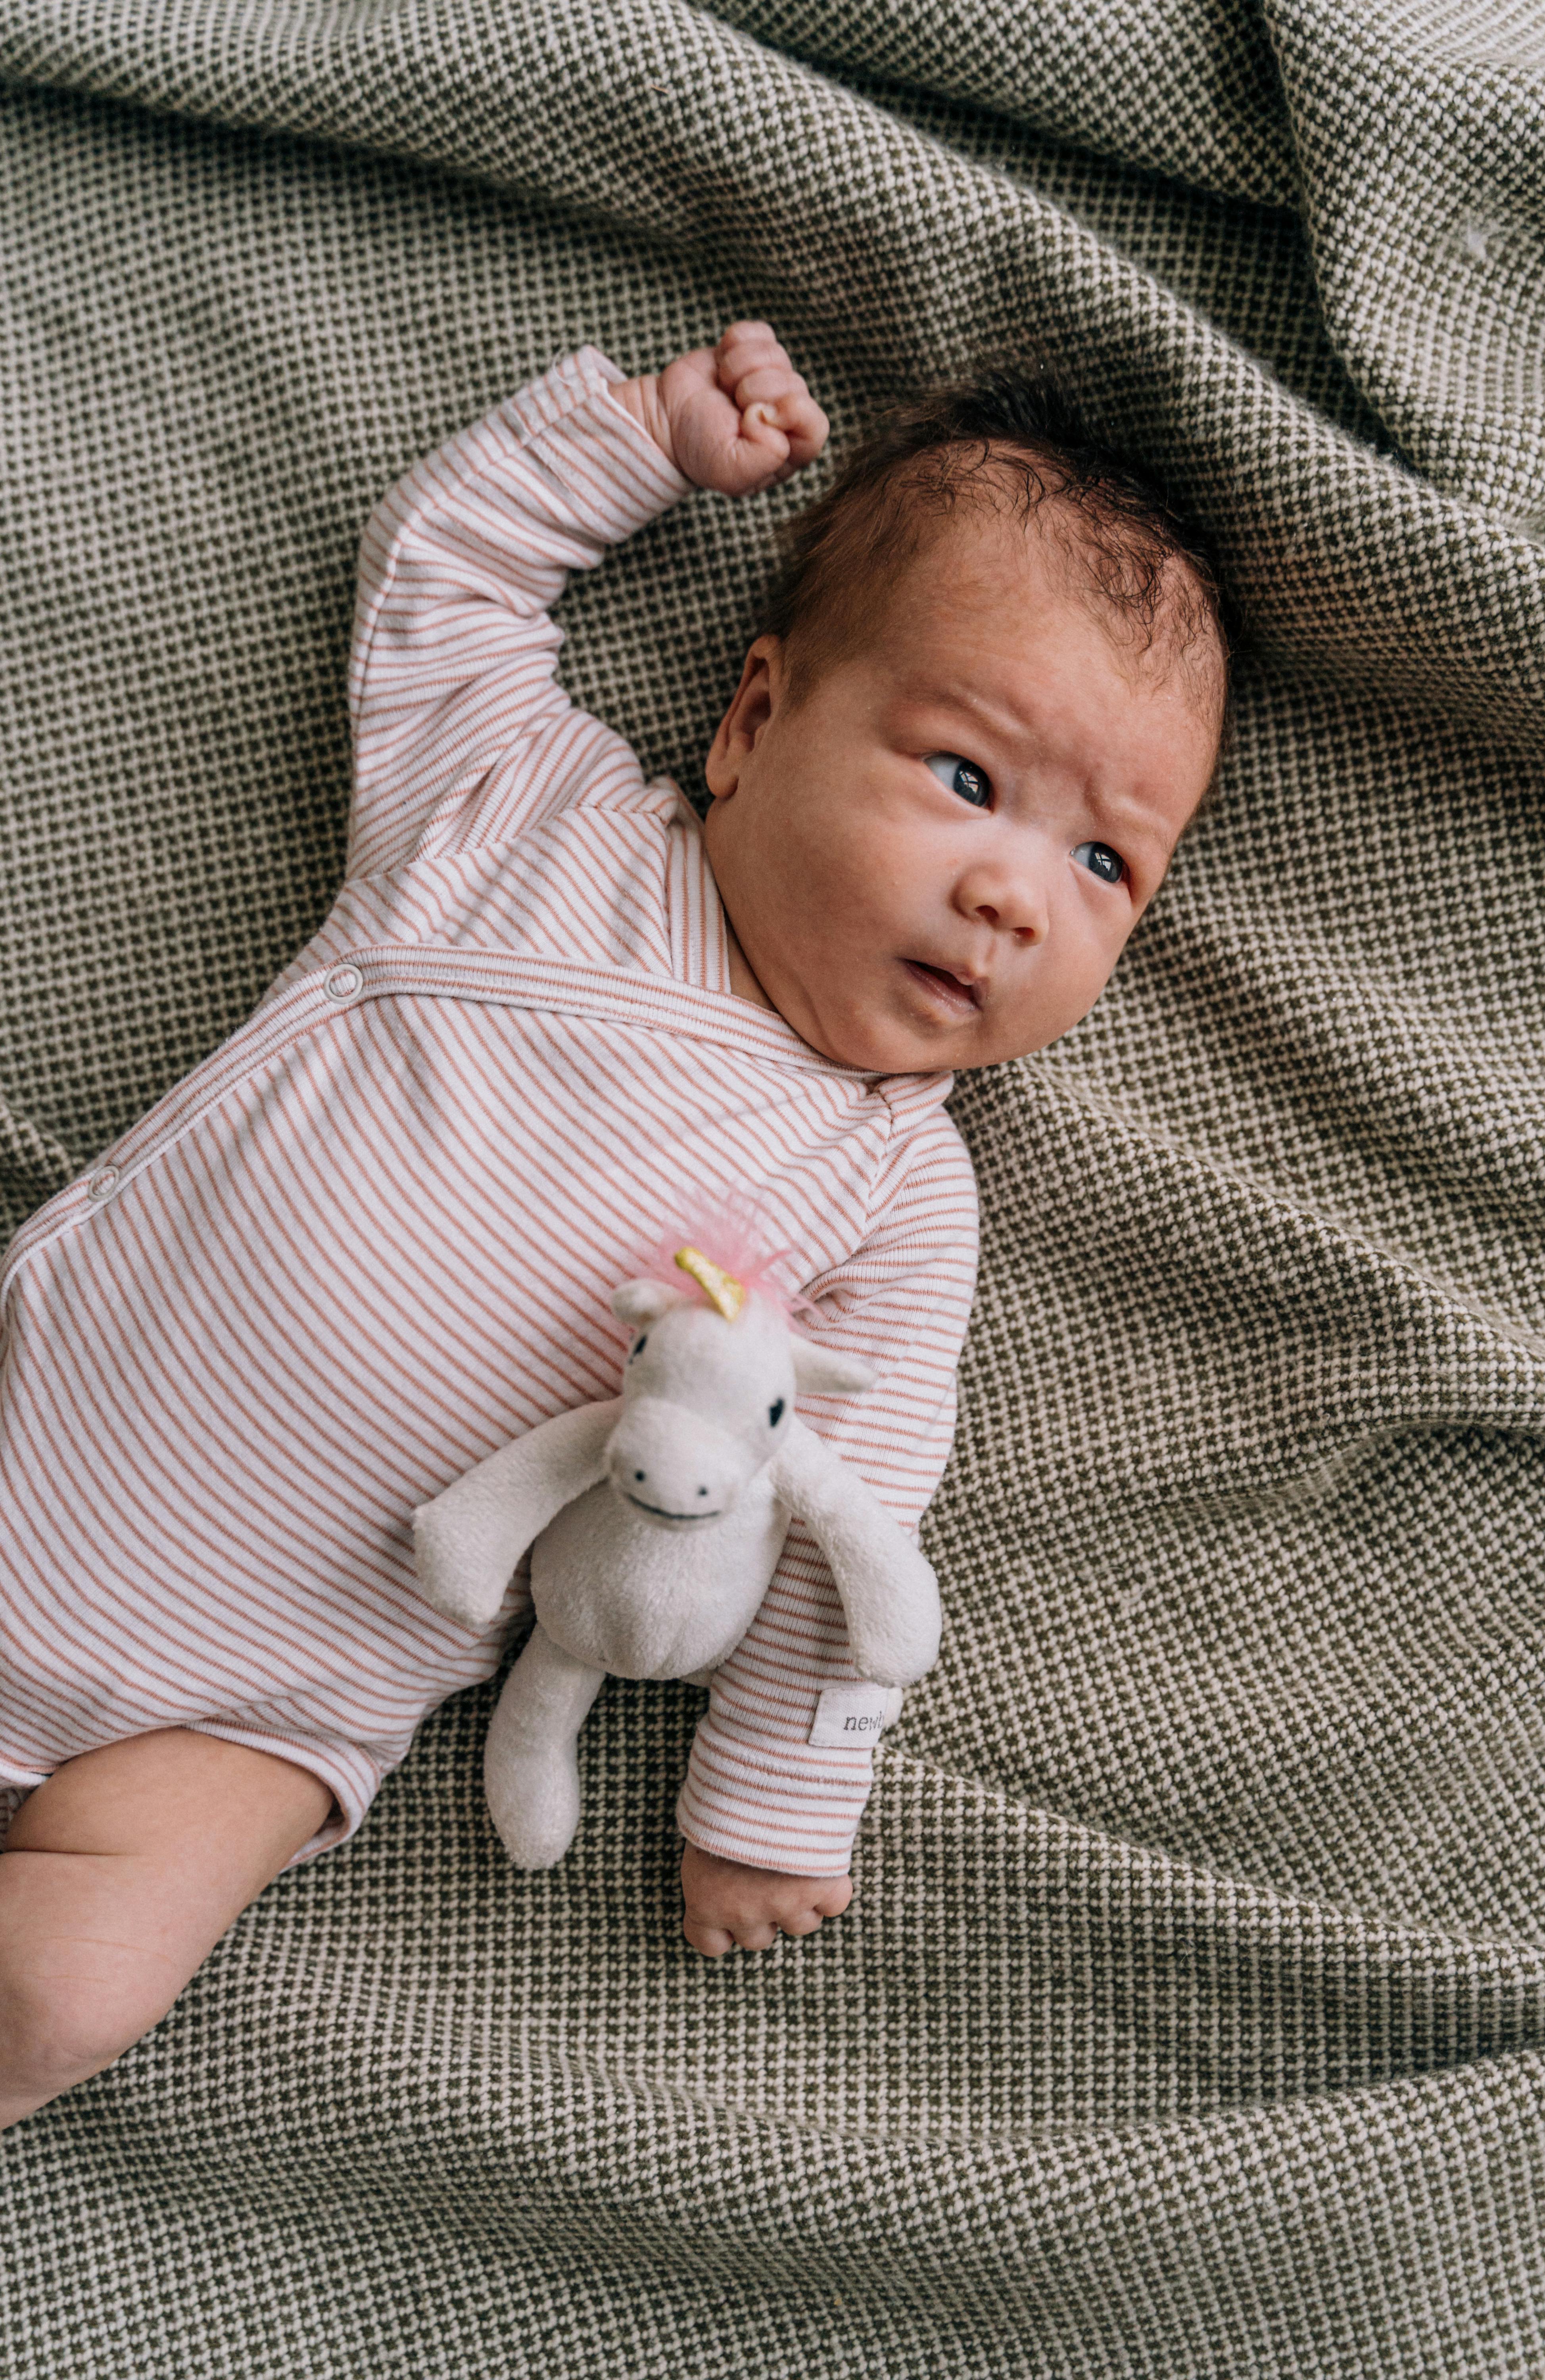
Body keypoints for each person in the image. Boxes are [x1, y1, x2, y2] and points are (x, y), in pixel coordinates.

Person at [0, 322, 1227, 2130]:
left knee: (69, 1982)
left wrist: (775, 1799)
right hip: (40, 1436)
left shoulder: (896, 1183)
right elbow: (449, 574)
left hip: (262, 1699)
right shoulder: (519, 816)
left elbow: (848, 1523)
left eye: (1105, 863)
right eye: (968, 779)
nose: (1010, 894)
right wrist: (637, 436)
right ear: (751, 722)